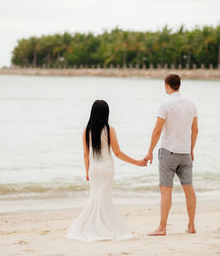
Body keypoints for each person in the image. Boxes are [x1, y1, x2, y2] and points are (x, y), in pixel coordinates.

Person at [66, 100, 146, 241]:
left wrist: (87, 171)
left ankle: (94, 227)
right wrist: (137, 162)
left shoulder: (86, 130)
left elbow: (85, 154)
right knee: (105, 198)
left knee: (95, 198)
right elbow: (118, 153)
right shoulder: (110, 130)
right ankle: (106, 228)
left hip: (94, 169)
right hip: (107, 168)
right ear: (106, 113)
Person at [143, 74, 198, 236]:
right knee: (189, 189)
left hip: (168, 152)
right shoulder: (191, 104)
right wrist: (191, 149)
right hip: (185, 153)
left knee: (165, 190)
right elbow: (195, 130)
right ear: (179, 85)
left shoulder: (165, 104)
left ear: (167, 86)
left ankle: (162, 227)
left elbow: (157, 131)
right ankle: (191, 225)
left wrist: (149, 151)